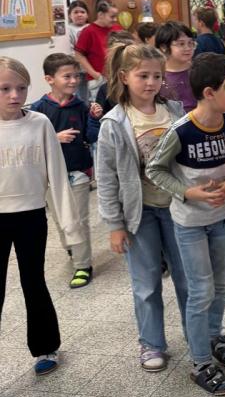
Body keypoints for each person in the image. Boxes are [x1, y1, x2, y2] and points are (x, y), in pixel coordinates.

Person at [147, 53, 225, 396]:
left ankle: (213, 336)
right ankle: (201, 363)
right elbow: (154, 170)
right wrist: (188, 192)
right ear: (210, 93)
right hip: (190, 225)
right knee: (200, 291)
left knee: (220, 285)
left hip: (222, 220)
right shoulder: (181, 130)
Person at [96, 43, 188, 371]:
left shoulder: (175, 111)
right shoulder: (114, 123)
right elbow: (107, 178)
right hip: (140, 214)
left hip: (177, 209)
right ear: (124, 77)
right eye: (143, 76)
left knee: (188, 278)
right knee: (146, 283)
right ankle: (151, 343)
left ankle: (199, 334)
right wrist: (115, 225)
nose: (151, 83)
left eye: (157, 76)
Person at [0, 56, 84, 375]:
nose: (14, 95)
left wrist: (71, 226)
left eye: (21, 88)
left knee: (33, 281)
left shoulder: (40, 123)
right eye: (5, 88)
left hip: (31, 216)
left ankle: (46, 345)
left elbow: (57, 177)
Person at [29, 53, 99, 288]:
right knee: (61, 219)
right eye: (66, 76)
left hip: (78, 171)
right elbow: (32, 142)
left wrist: (94, 119)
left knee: (78, 221)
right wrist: (54, 138)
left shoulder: (81, 106)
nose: (73, 81)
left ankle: (83, 265)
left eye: (76, 76)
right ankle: (72, 248)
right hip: (50, 175)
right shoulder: (38, 110)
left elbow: (91, 136)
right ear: (49, 79)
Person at [74, 0, 121, 97]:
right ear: (100, 15)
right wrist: (95, 74)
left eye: (116, 16)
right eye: (112, 17)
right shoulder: (88, 31)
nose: (115, 19)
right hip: (99, 79)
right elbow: (79, 55)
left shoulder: (117, 29)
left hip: (117, 77)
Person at [156, 21, 197, 112]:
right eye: (181, 44)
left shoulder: (199, 69)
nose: (188, 48)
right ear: (164, 47)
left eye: (190, 43)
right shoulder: (158, 75)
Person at [67, 0, 90, 101]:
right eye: (75, 12)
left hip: (93, 68)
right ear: (69, 15)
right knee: (81, 94)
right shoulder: (68, 29)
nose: (79, 15)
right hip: (78, 69)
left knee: (94, 93)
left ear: (87, 15)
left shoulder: (91, 28)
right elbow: (70, 49)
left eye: (82, 12)